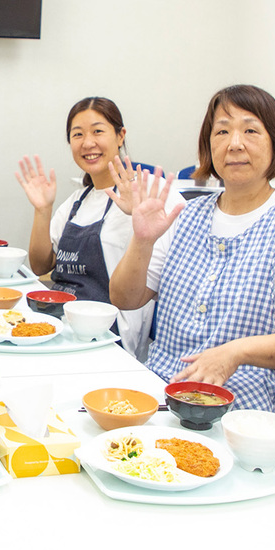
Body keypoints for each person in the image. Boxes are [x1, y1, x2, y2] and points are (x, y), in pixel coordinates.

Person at [108, 85, 275, 417]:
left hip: (247, 412)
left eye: (250, 130)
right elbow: (125, 299)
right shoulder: (186, 216)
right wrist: (142, 241)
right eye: (222, 131)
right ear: (208, 146)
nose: (235, 143)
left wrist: (237, 353)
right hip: (161, 395)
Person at [15, 97, 179, 358]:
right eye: (77, 134)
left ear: (120, 135)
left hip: (108, 338)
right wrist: (42, 210)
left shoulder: (149, 197)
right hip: (61, 324)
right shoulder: (78, 201)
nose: (87, 143)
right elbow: (40, 266)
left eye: (98, 131)